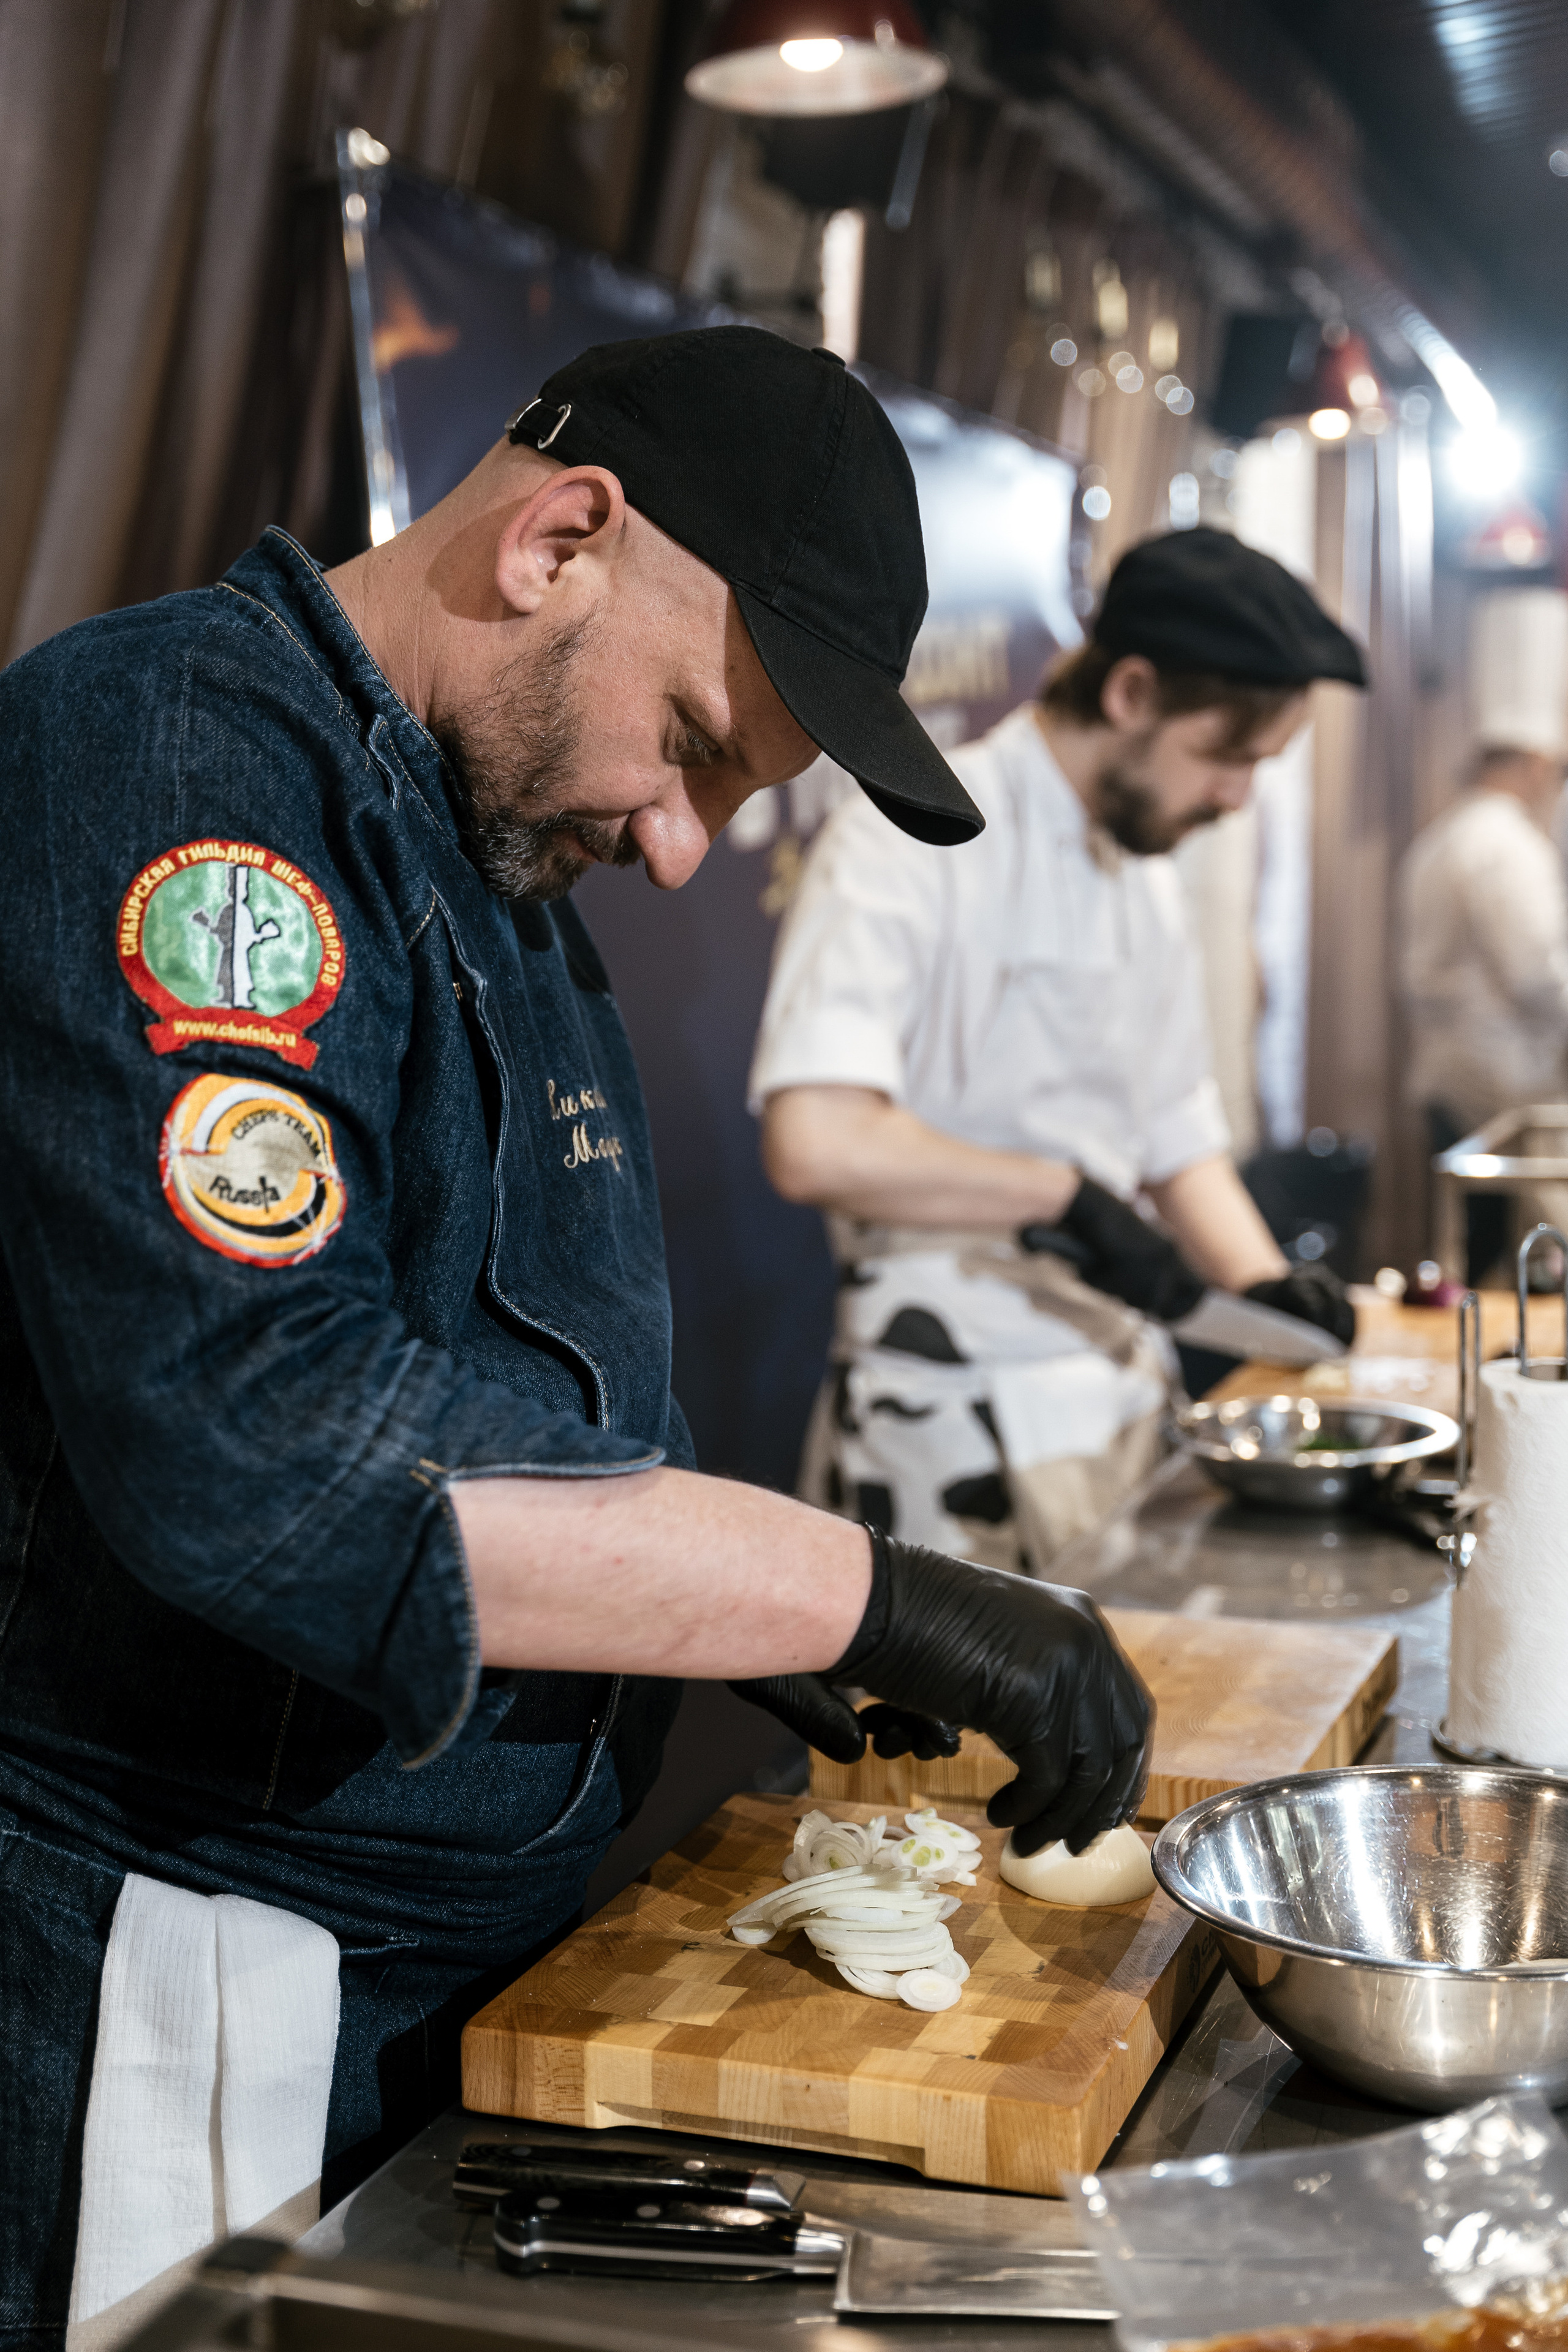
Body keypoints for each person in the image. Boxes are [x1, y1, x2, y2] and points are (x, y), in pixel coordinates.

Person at [0, 328, 1154, 2339]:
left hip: (471, 1974)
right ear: (557, 541)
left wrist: (709, 1611)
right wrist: (849, 1591)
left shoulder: (496, 833)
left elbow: (522, 1395)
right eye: (699, 743)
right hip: (212, 1969)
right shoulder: (189, 772)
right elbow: (264, 1442)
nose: (687, 842)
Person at [752, 529, 1365, 1574]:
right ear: (1130, 693)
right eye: (1228, 757)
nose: (1236, 799)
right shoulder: (907, 833)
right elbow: (815, 1140)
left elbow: (1175, 1132)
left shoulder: (1144, 871)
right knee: (946, 1743)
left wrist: (1262, 1286)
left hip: (1116, 1391)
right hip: (940, 1400)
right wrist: (1060, 1195)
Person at [1399, 731, 1568, 1283]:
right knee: (1508, 1251)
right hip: (1502, 1077)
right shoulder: (1509, 846)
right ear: (1536, 764)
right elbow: (1538, 974)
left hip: (1449, 1069)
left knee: (1475, 1240)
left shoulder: (1440, 839)